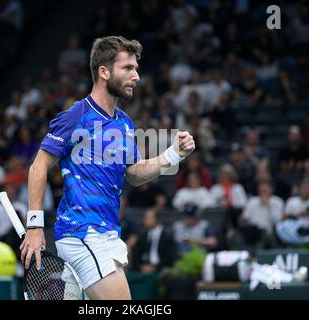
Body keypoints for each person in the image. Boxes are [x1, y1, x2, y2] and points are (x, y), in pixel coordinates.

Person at [19, 36, 195, 300]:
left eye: (136, 68)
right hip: (82, 232)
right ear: (104, 72)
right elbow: (39, 165)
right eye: (127, 68)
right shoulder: (77, 115)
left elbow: (134, 173)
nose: (136, 76)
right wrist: (34, 227)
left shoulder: (124, 123)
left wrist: (174, 154)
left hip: (107, 233)